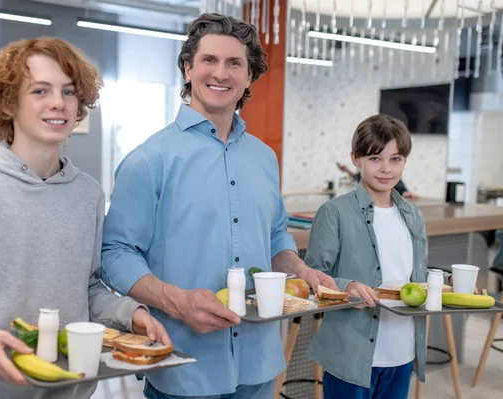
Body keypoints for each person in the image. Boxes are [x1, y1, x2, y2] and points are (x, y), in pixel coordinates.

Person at [0, 37, 169, 399]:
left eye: (68, 92)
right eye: (40, 91)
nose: (58, 103)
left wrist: (132, 313)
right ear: (8, 102)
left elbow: (89, 287)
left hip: (71, 388)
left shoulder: (88, 195)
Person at [101, 13, 337, 399]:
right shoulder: (150, 159)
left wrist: (300, 270)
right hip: (183, 366)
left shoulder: (264, 157)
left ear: (249, 76)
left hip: (260, 363)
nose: (221, 73)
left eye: (234, 63)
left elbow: (275, 233)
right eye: (209, 60)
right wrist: (176, 303)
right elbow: (115, 252)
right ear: (188, 68)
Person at [305, 115, 448, 398]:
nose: (386, 169)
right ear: (356, 159)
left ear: (405, 161)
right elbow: (313, 277)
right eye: (375, 158)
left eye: (395, 159)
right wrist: (347, 286)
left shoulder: (413, 215)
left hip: (402, 352)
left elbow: (414, 277)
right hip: (351, 354)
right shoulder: (334, 213)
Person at [336, 162, 419, 200]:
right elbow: (357, 177)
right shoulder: (362, 175)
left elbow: (395, 183)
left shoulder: (383, 171)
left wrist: (404, 192)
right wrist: (347, 170)